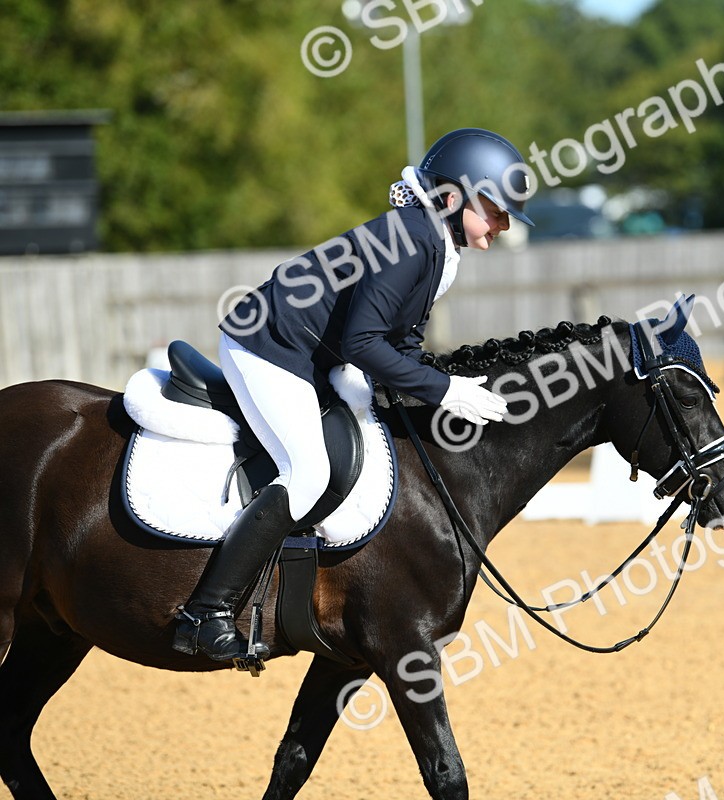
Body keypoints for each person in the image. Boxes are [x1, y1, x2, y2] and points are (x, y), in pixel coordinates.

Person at [173, 127, 535, 662]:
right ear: (452, 196)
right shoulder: (413, 238)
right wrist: (443, 389)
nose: (503, 225)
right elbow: (365, 341)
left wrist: (439, 382)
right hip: (268, 346)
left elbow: (401, 337)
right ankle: (206, 613)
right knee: (309, 472)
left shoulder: (434, 242)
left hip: (314, 351)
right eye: (495, 210)